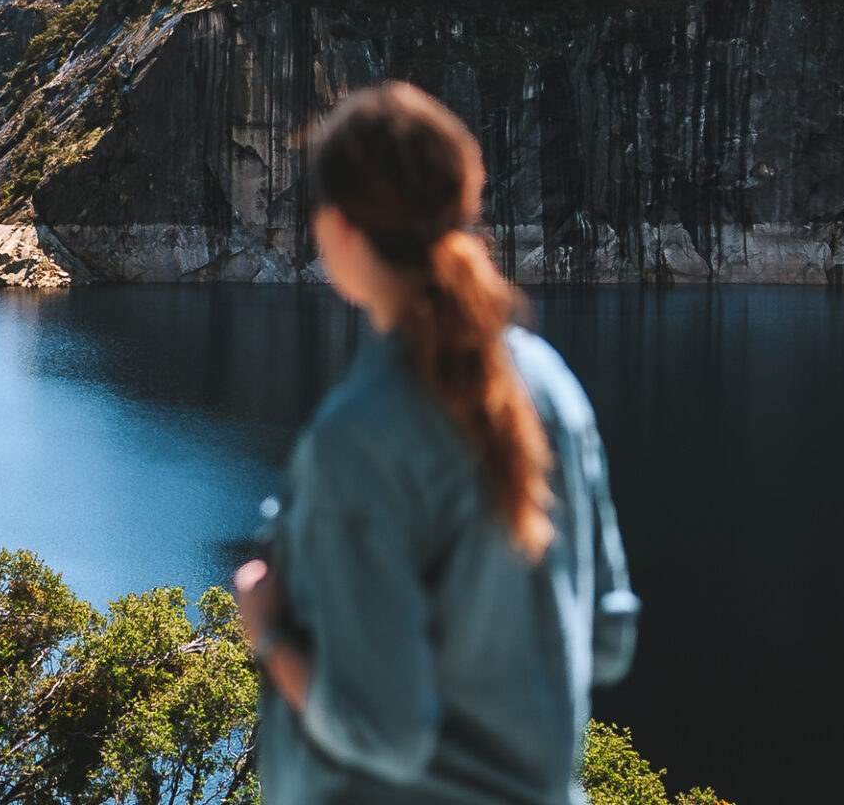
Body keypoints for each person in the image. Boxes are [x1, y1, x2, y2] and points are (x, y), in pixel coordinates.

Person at [234, 82, 638, 804]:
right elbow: (608, 637)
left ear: (341, 228)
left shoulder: (358, 439)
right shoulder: (549, 387)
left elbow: (381, 733)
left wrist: (267, 632)